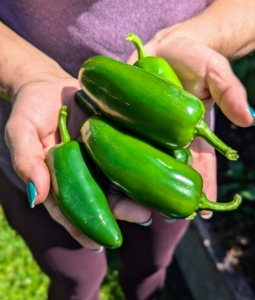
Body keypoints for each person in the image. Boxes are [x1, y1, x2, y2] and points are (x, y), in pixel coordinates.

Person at [0, 0, 254, 299]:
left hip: (169, 117)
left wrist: (199, 36)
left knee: (150, 266)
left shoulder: (182, 129)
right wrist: (23, 74)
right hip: (42, 125)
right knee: (74, 278)